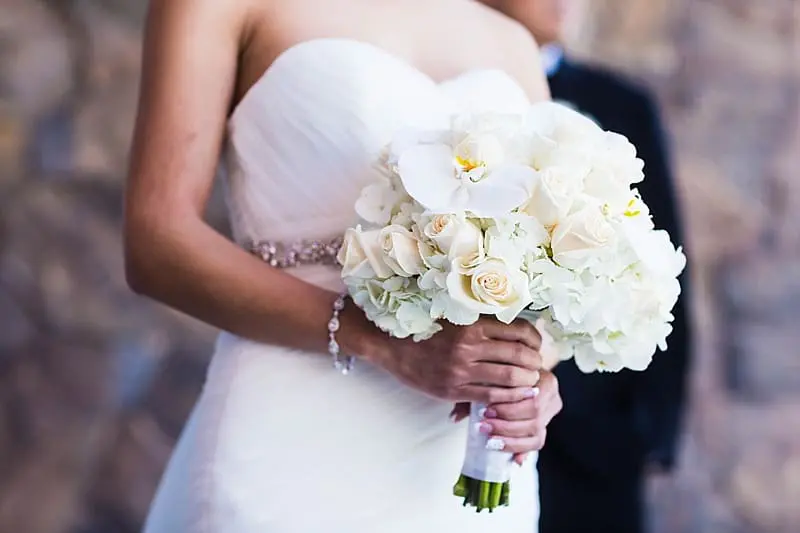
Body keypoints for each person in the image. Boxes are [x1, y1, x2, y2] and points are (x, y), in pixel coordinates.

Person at [124, 0, 564, 531]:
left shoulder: (512, 41)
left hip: (457, 458)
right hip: (290, 437)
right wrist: (381, 340)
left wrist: (534, 378)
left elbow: (539, 262)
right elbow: (157, 241)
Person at [481, 1, 692, 532]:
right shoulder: (450, 93)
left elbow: (662, 261)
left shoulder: (619, 103)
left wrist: (651, 431)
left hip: (596, 438)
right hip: (473, 412)